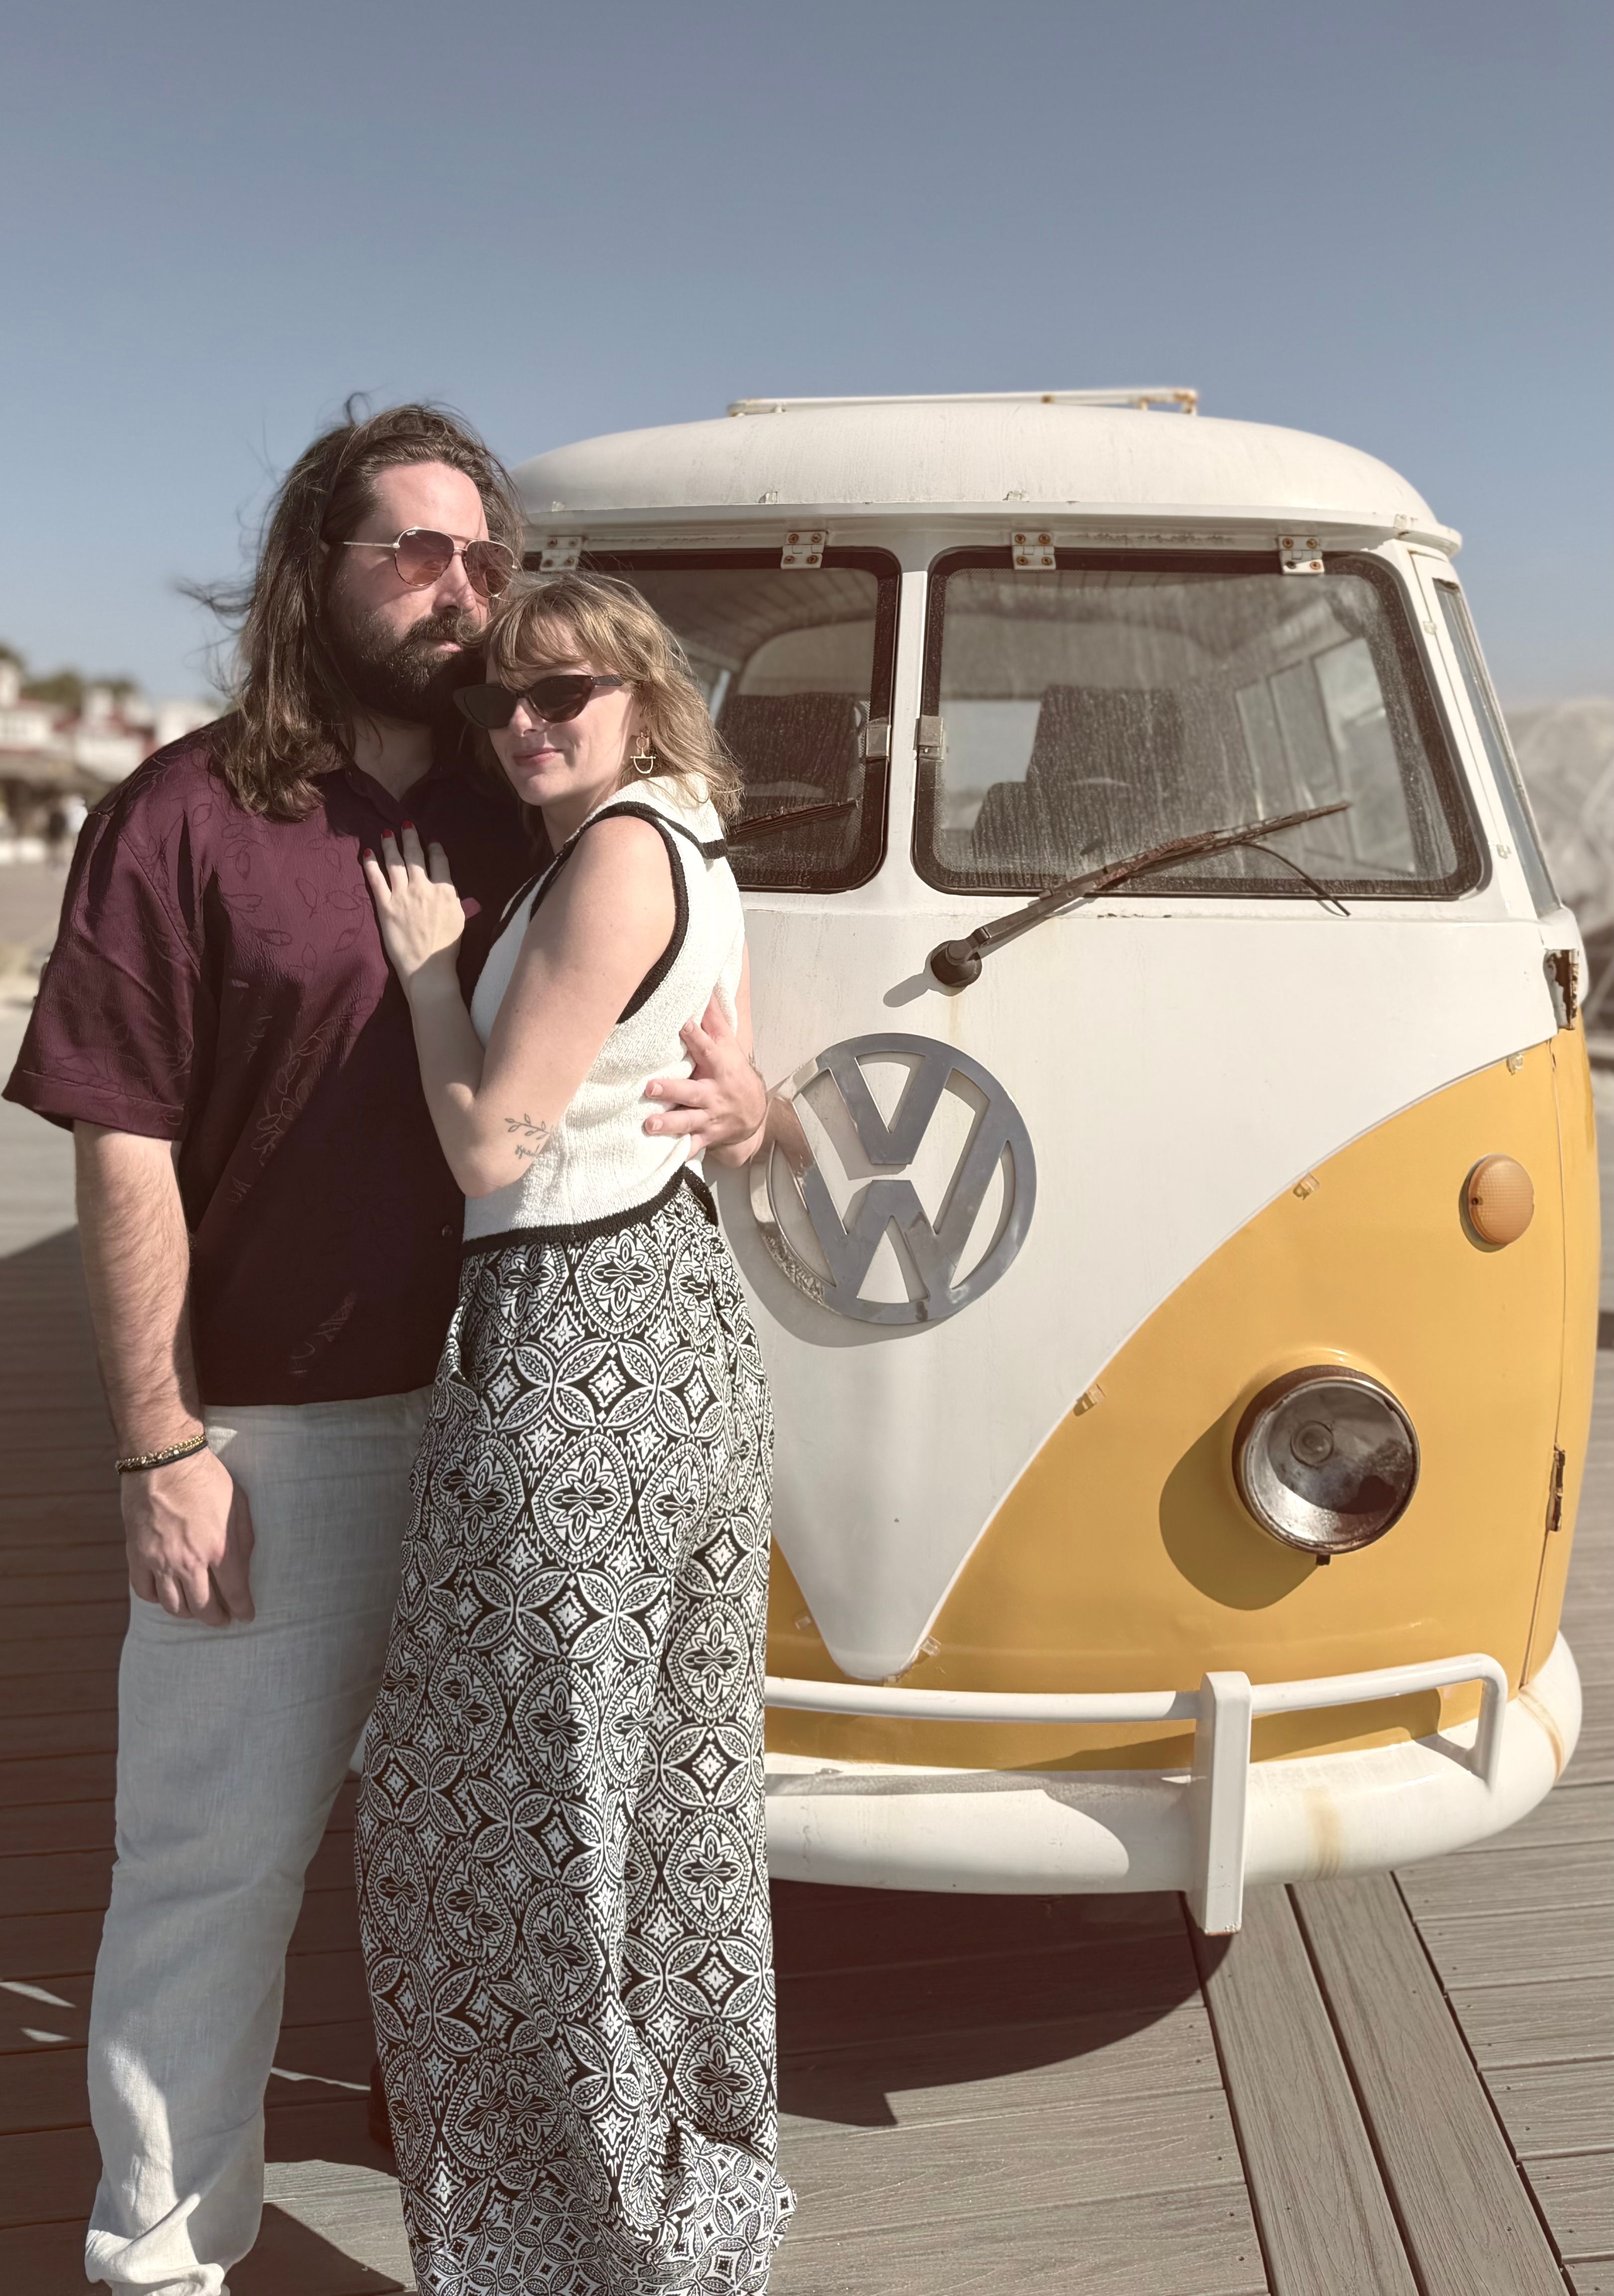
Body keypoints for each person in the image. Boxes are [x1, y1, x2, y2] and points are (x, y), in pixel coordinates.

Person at [1, 405, 766, 2296]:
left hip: (529, 1430)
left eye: (483, 555)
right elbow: (126, 1149)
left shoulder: (550, 801)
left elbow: (681, 991)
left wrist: (762, 1105)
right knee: (214, 1869)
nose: (459, 589)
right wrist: (160, 1438)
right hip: (276, 1430)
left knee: (526, 1880)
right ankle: (161, 2257)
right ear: (312, 574)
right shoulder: (184, 814)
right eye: (409, 549)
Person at [354, 573, 795, 2295]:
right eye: (506, 703)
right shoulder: (693, 848)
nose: (528, 724)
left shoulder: (613, 855)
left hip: (569, 1350)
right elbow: (724, 1104)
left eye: (567, 693)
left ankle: (577, 2249)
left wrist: (424, 973)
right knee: (668, 1809)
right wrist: (758, 1112)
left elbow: (492, 1140)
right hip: (670, 1334)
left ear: (643, 696)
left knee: (504, 1820)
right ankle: (693, 2215)